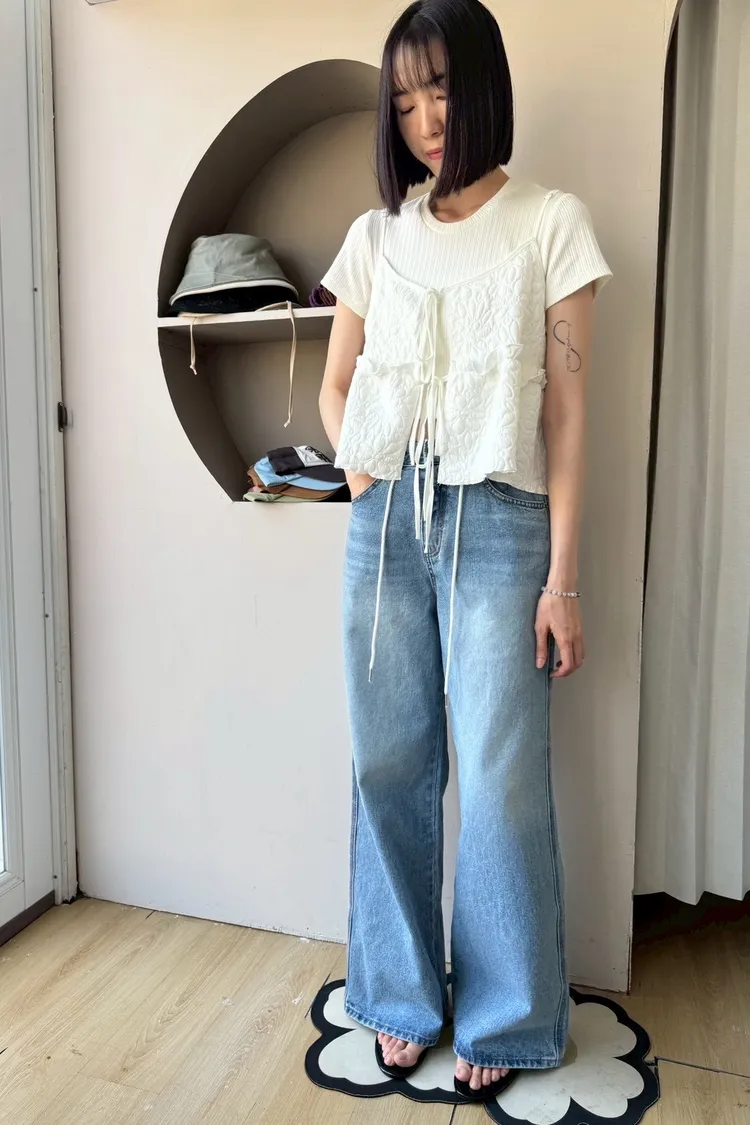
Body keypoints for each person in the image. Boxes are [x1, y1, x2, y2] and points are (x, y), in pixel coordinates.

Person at [318, 0, 612, 1104]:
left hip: (500, 521)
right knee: (387, 762)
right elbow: (336, 383)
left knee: (499, 777)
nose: (425, 118)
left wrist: (563, 579)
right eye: (403, 99)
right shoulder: (375, 237)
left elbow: (567, 418)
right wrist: (365, 476)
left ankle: (508, 1014)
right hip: (387, 521)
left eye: (440, 88)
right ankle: (398, 994)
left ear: (482, 84)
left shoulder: (552, 223)